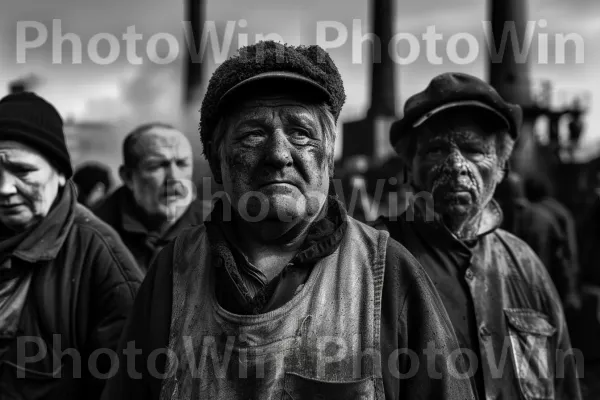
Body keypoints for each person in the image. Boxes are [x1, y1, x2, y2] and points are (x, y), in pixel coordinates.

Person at [102, 41, 475, 400]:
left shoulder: (388, 273)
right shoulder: (172, 271)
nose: (279, 154)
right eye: (252, 134)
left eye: (301, 133)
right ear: (217, 162)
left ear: (329, 157)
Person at [375, 72, 582, 399]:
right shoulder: (375, 261)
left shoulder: (526, 266)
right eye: (436, 149)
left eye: (473, 150)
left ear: (500, 166)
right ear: (409, 166)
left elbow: (564, 385)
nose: (456, 165)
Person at [0, 92, 143, 400]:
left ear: (62, 173)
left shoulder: (99, 253)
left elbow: (127, 383)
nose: (4, 188)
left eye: (23, 171)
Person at [93, 122, 208, 271]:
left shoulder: (220, 229)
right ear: (128, 177)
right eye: (156, 166)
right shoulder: (93, 235)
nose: (174, 177)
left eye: (182, 164)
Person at [495, 172, 580, 310]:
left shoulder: (497, 220)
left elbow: (561, 257)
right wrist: (569, 290)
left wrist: (569, 291)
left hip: (520, 293)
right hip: (542, 290)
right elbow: (563, 258)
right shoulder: (545, 218)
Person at [524, 174, 582, 310]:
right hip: (556, 275)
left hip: (547, 275)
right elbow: (570, 250)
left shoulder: (539, 214)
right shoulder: (559, 211)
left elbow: (567, 250)